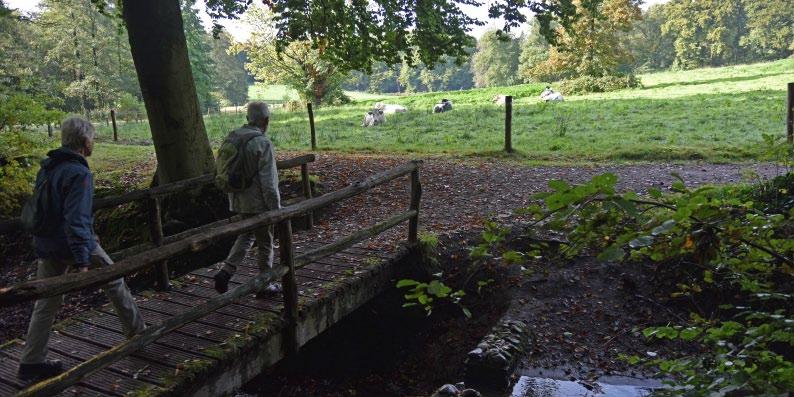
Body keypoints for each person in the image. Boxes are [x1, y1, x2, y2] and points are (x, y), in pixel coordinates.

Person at [18, 117, 146, 381]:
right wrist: (82, 256)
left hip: (48, 243)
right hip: (72, 243)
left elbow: (50, 210)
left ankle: (31, 361)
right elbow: (75, 217)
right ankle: (138, 334)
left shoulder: (49, 167)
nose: (94, 143)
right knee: (115, 279)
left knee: (46, 302)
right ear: (86, 142)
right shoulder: (78, 173)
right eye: (94, 139)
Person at [213, 102, 282, 295]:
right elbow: (269, 183)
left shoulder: (234, 136)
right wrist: (276, 210)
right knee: (265, 243)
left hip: (238, 199)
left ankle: (226, 272)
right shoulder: (262, 143)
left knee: (246, 235)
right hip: (259, 203)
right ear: (266, 120)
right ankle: (264, 283)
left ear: (247, 119)